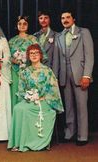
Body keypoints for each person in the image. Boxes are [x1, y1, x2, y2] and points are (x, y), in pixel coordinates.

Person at [8, 44, 64, 152]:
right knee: (18, 108)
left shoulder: (47, 71)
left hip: (45, 101)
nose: (34, 55)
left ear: (40, 55)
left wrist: (43, 98)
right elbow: (21, 90)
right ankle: (19, 143)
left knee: (25, 109)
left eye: (36, 53)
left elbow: (54, 89)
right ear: (28, 56)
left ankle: (30, 143)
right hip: (30, 100)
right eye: (31, 53)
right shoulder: (25, 71)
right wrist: (29, 96)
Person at [53, 10, 94, 146]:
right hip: (64, 75)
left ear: (73, 19)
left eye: (68, 17)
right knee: (69, 106)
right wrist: (56, 77)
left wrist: (86, 75)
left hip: (80, 75)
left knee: (81, 106)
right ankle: (70, 133)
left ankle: (82, 136)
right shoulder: (59, 36)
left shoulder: (84, 32)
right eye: (62, 18)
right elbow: (57, 59)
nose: (65, 20)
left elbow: (89, 56)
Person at [9, 16, 41, 108]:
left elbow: (40, 55)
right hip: (15, 72)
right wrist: (13, 60)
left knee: (29, 94)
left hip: (29, 71)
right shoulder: (12, 40)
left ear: (28, 25)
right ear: (16, 25)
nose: (22, 26)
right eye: (20, 24)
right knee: (15, 95)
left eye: (25, 24)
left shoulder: (33, 39)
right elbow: (7, 57)